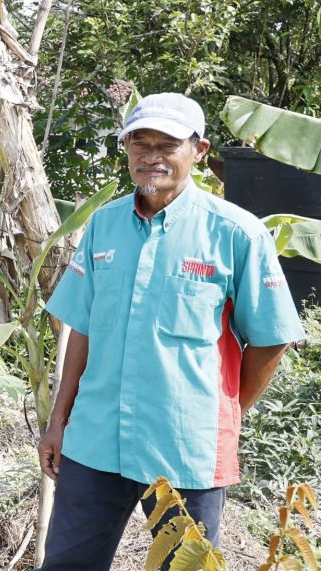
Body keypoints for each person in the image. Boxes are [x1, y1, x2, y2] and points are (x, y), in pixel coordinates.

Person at [37, 93, 306, 570]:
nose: (152, 155)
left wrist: (226, 413)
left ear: (198, 151)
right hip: (95, 442)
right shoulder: (104, 225)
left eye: (168, 144)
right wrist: (59, 419)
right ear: (126, 149)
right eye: (140, 143)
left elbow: (271, 336)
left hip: (186, 448)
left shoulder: (236, 232)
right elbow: (83, 326)